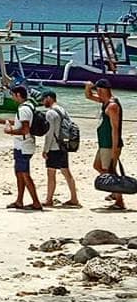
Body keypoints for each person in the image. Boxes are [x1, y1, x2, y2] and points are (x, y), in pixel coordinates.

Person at [0, 84, 41, 210]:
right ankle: (19, 200)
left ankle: (36, 202)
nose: (12, 97)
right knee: (19, 173)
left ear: (18, 95)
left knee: (24, 174)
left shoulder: (23, 109)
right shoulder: (28, 106)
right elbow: (20, 122)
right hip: (22, 145)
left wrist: (9, 131)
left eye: (13, 95)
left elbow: (24, 129)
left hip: (24, 145)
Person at [85, 78, 126, 210]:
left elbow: (115, 129)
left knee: (110, 171)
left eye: (98, 90)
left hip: (110, 144)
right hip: (104, 143)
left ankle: (119, 200)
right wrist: (88, 87)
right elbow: (88, 96)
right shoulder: (105, 102)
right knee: (98, 166)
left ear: (103, 90)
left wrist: (115, 149)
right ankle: (115, 192)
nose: (97, 93)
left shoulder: (112, 106)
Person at [40, 89, 80, 208]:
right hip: (64, 145)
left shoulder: (50, 113)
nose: (43, 103)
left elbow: (49, 133)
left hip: (54, 147)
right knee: (67, 173)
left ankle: (49, 200)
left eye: (43, 100)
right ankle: (74, 198)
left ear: (49, 98)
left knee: (51, 173)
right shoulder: (62, 110)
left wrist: (45, 150)